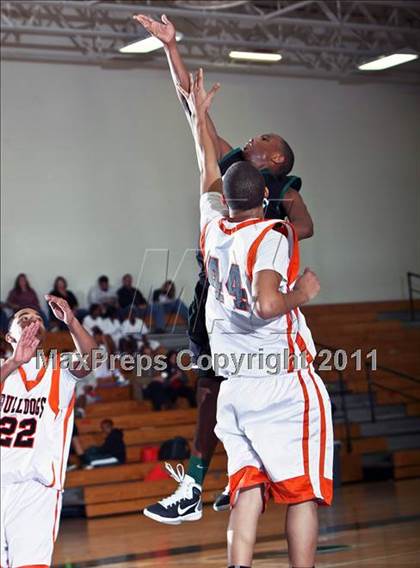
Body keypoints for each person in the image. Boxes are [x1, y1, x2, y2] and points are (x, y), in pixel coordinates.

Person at [135, 13, 315, 520]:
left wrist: (257, 231)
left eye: (265, 139)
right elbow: (192, 112)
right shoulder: (231, 167)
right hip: (215, 292)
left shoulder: (282, 192)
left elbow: (304, 227)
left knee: (232, 387)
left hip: (252, 301)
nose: (253, 138)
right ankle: (224, 476)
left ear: (275, 163)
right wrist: (172, 48)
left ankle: (215, 479)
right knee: (212, 387)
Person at [155, 72, 333, 566]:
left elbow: (204, 161)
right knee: (301, 495)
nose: (253, 139)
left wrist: (195, 109)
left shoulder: (213, 225)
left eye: (264, 139)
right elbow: (269, 303)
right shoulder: (272, 233)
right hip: (281, 381)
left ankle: (234, 557)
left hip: (237, 383)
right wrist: (302, 292)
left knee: (247, 489)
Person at [0, 297, 97, 567]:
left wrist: (71, 321)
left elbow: (93, 359)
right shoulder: (2, 369)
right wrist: (13, 363)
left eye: (38, 318)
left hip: (36, 488)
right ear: (10, 336)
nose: (32, 319)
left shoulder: (60, 368)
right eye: (24, 317)